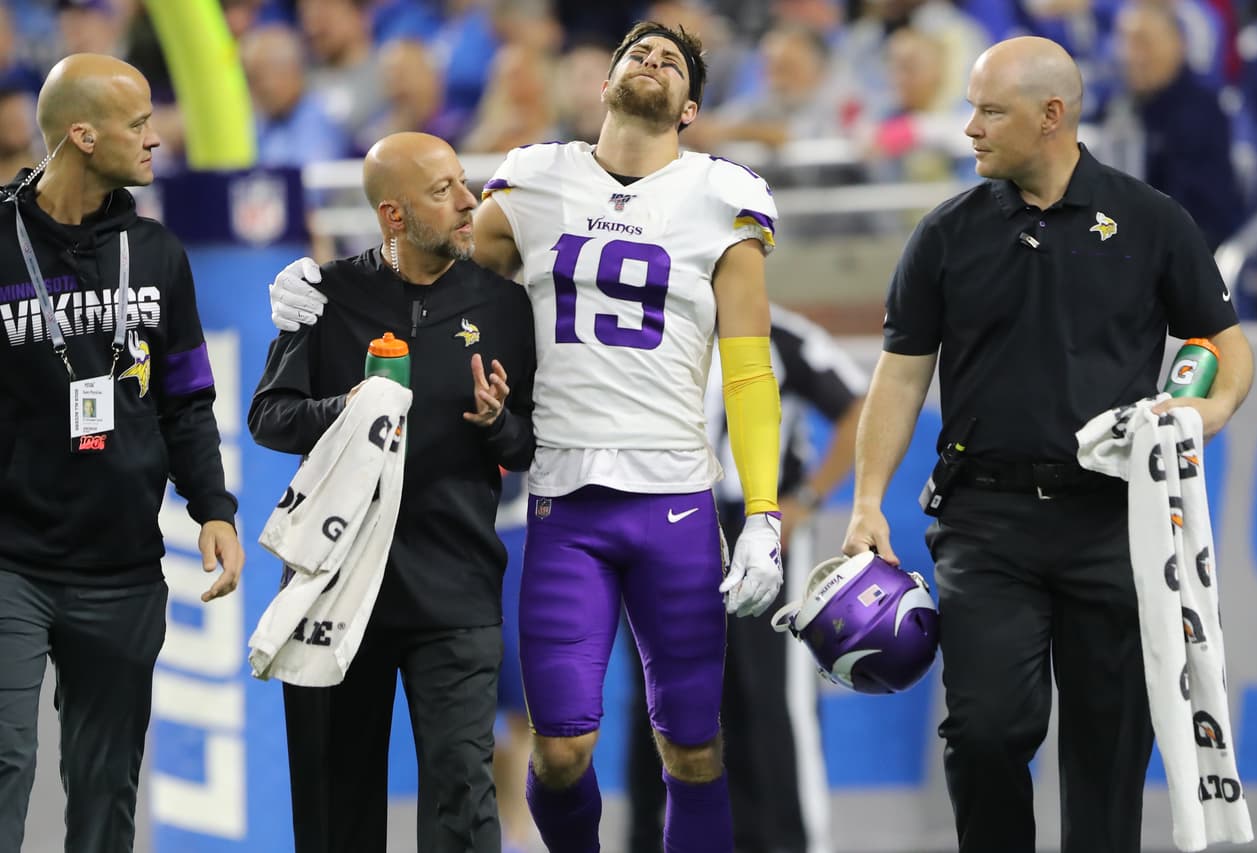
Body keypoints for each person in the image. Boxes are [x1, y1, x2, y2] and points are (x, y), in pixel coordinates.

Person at [268, 22, 786, 852]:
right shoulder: (538, 177)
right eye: (639, 52)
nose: (653, 62)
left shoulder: (723, 193)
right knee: (559, 752)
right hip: (564, 499)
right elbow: (430, 263)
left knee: (692, 747)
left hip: (677, 500)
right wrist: (322, 290)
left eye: (673, 62)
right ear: (605, 80)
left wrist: (762, 511)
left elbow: (750, 372)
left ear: (691, 107)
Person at [840, 36, 1254, 853]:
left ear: (1052, 115)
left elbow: (1224, 344)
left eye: (990, 111)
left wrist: (1204, 413)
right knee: (986, 730)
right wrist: (866, 500)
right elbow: (900, 377)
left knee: (1109, 754)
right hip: (985, 522)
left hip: (1116, 520)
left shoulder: (1151, 219)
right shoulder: (945, 233)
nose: (970, 128)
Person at [248, 131, 536, 853]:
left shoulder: (506, 306)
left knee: (464, 800)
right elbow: (269, 416)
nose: (468, 201)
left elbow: (530, 445)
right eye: (444, 190)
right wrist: (347, 409)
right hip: (338, 590)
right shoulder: (325, 295)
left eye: (463, 182)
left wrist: (499, 423)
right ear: (394, 216)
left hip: (456, 589)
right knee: (334, 811)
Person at [0, 54, 244, 852]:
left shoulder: (158, 252)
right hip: (10, 560)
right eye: (137, 123)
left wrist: (213, 507)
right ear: (82, 134)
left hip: (122, 564)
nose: (155, 137)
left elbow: (188, 398)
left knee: (106, 787)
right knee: (4, 758)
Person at [626, 304, 866, 853]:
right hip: (667, 522)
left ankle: (790, 841)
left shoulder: (779, 332)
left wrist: (804, 500)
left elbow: (861, 404)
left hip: (757, 525)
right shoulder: (649, 321)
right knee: (665, 696)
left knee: (772, 695)